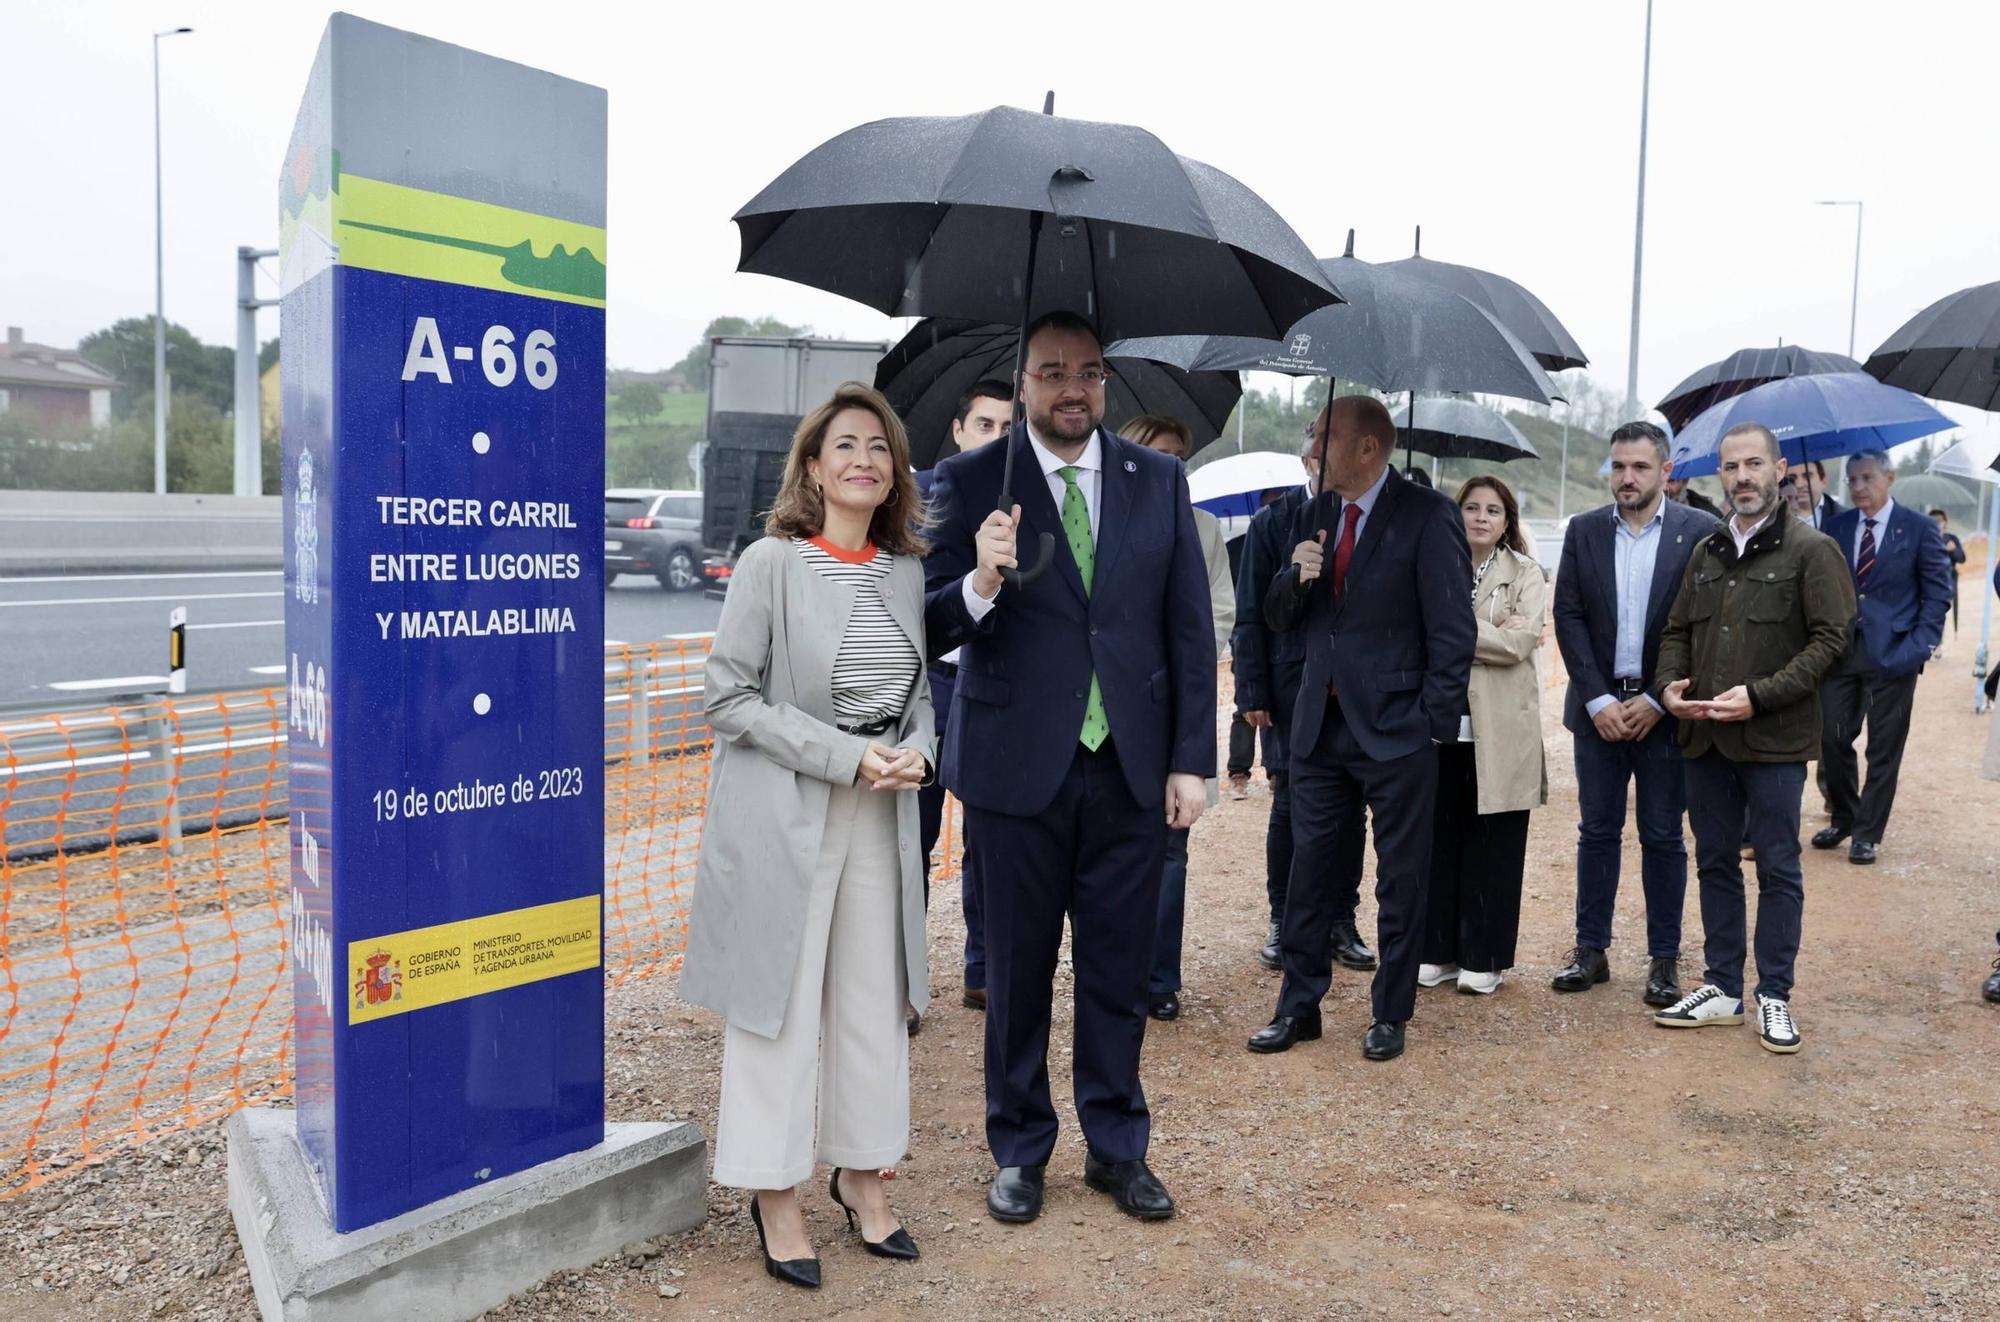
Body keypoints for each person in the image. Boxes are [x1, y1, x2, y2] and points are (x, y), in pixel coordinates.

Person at [923, 310, 1215, 1225]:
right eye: (1052, 371)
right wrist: (980, 580)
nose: (1072, 387)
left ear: (1107, 384)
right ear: (1023, 385)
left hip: (1128, 767)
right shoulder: (974, 481)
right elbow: (926, 624)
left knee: (1118, 970)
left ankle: (1117, 1147)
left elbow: (1187, 630)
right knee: (1014, 973)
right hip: (1016, 770)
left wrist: (1190, 761)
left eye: (1088, 371)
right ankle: (1018, 1150)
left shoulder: (1159, 481)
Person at [680, 383, 936, 1288]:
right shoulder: (771, 563)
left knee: (874, 1001)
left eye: (879, 446)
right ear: (814, 467)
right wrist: (845, 756)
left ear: (896, 471)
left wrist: (914, 753)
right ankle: (774, 1191)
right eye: (845, 446)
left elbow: (917, 698)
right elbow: (727, 696)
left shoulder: (904, 571)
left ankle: (864, 1174)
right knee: (777, 1004)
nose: (864, 458)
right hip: (786, 810)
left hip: (880, 815)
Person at [1246, 395, 1475, 1063]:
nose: (1309, 447)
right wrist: (1296, 577)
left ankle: (1390, 1013)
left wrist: (1432, 725)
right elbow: (1280, 616)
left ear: (1368, 449)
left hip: (1399, 732)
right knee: (1309, 872)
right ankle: (1298, 1007)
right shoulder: (1311, 513)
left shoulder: (1428, 516)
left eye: (1322, 436)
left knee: (1401, 879)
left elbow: (1452, 630)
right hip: (1319, 727)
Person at [1653, 422, 1853, 1054]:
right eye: (1732, 467)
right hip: (1704, 739)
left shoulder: (1810, 549)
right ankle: (1721, 987)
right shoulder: (1706, 551)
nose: (1742, 477)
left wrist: (1759, 695)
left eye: (1754, 465)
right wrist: (1667, 689)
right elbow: (1677, 629)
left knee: (1777, 866)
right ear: (1720, 474)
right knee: (1713, 860)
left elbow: (1831, 640)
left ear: (1780, 470)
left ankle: (1774, 995)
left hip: (1774, 743)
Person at [1551, 422, 1720, 1006]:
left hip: (1665, 713)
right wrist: (1598, 699)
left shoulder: (1701, 534)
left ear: (1666, 472)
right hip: (1597, 710)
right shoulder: (1584, 531)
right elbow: (1568, 614)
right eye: (1619, 466)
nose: (1627, 477)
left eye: (1640, 467)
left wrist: (1655, 698)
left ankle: (1664, 961)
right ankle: (1590, 951)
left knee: (1663, 835)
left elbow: (1704, 626)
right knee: (1596, 832)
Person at [1233, 438, 1374, 975]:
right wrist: (1253, 691)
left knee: (1353, 809)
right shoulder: (1274, 522)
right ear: (1307, 462)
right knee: (1291, 803)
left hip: (1356, 690)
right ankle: (1283, 918)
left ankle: (1342, 918)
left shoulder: (1368, 519)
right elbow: (1251, 613)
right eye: (1322, 455)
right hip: (1292, 688)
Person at [1119, 414, 1234, 1024]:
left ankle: (1159, 979)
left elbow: (1219, 610)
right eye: (1163, 453)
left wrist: (1176, 658)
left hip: (1173, 710)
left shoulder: (1205, 526)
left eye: (1181, 455)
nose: (1175, 465)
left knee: (1169, 852)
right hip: (1111, 713)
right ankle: (1109, 974)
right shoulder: (1102, 514)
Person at [1419, 476, 1546, 995]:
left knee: (1493, 846)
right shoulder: (1432, 568)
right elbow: (1413, 631)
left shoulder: (1527, 573)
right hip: (1441, 726)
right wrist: (1479, 634)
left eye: (1493, 510)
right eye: (1471, 507)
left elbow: (1520, 641)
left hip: (1501, 729)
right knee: (1438, 840)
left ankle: (1484, 956)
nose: (1480, 517)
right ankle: (1438, 950)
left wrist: (1452, 632)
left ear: (1507, 520)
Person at [915, 380, 1012, 1021]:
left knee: (990, 841)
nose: (996, 439)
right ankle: (902, 979)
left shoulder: (1035, 499)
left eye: (1008, 427)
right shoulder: (922, 496)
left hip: (996, 691)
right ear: (957, 430)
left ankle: (985, 969)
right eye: (984, 425)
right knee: (909, 839)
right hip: (928, 691)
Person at [1811, 449, 1952, 864]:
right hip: (1840, 654)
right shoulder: (1834, 528)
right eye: (1851, 479)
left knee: (1884, 748)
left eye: (1866, 478)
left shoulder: (1920, 528)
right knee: (1832, 738)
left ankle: (1866, 834)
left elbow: (1937, 594)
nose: (1857, 487)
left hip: (1895, 654)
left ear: (1889, 478)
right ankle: (1845, 816)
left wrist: (1919, 646)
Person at [1931, 508, 1968, 636]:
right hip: (1929, 579)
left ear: (1945, 522)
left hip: (1948, 579)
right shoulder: (1925, 538)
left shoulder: (1951, 538)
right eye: (1933, 520)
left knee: (1940, 609)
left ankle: (1938, 642)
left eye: (1939, 520)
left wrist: (1952, 550)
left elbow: (1961, 558)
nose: (1937, 523)